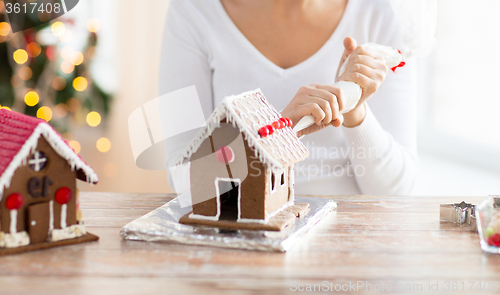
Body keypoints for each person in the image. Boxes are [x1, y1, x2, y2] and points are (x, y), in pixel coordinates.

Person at [159, 0, 418, 196]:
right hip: (239, 237)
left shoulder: (378, 13)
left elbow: (398, 191)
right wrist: (278, 131)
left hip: (349, 246)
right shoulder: (192, 11)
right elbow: (183, 180)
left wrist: (354, 108)